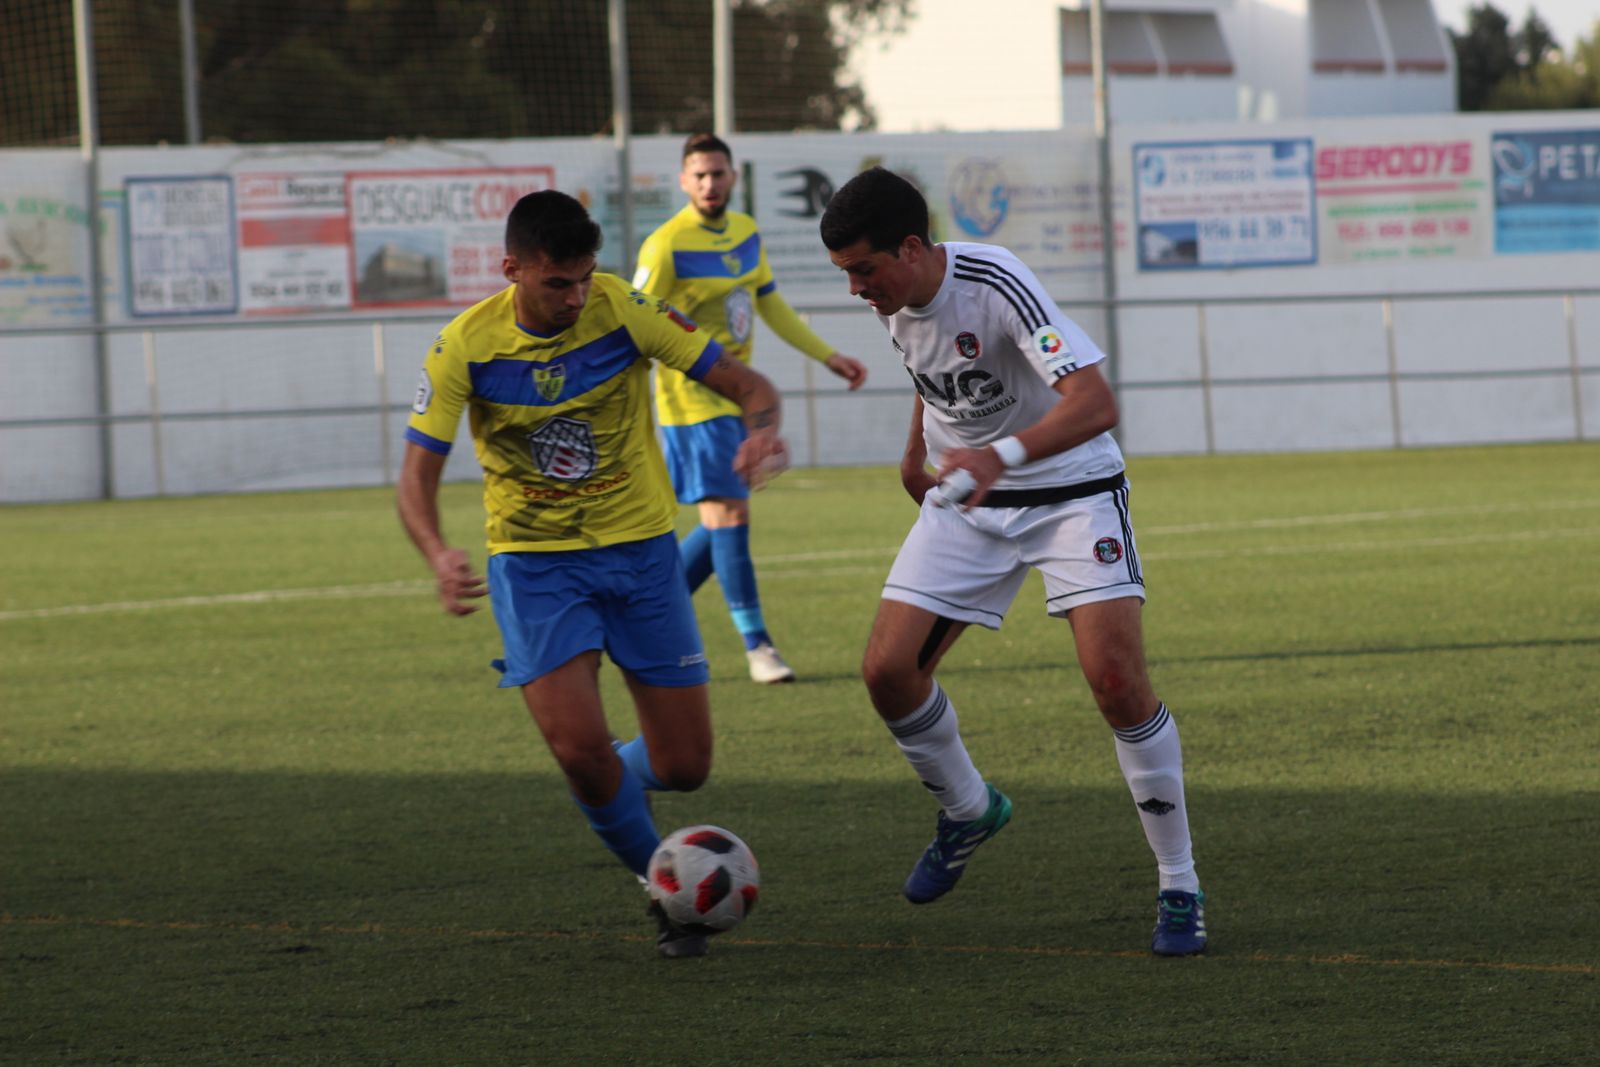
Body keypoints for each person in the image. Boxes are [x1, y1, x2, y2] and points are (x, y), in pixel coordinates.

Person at [818, 167, 1207, 956]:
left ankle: (1180, 884)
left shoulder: (997, 281)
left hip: (1073, 492)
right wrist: (911, 455)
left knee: (1116, 684)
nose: (857, 288)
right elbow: (932, 378)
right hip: (971, 497)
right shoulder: (895, 300)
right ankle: (967, 808)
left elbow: (1095, 402)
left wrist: (1005, 455)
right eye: (847, 274)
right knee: (888, 673)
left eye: (864, 269)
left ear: (913, 247)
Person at [396, 189, 788, 959]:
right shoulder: (462, 348)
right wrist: (437, 551)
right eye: (556, 283)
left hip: (641, 555)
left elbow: (750, 386)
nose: (577, 297)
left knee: (684, 766)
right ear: (512, 269)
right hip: (536, 566)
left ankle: (615, 783)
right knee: (578, 746)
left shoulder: (626, 309)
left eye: (584, 279)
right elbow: (416, 477)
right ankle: (668, 891)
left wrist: (764, 432)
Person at [633, 132, 868, 684]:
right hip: (690, 400)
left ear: (734, 177)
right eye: (699, 175)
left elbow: (771, 306)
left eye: (718, 173)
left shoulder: (745, 234)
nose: (710, 183)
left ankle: (646, 616)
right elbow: (636, 316)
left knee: (724, 521)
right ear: (683, 182)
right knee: (730, 516)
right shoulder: (665, 245)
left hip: (738, 400)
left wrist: (827, 356)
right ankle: (758, 647)